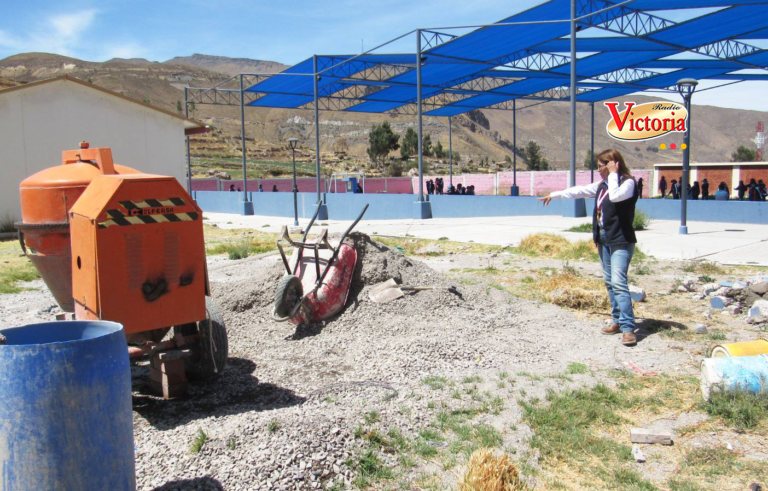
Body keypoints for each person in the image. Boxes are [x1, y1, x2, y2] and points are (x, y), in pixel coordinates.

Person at [538, 149, 639, 346]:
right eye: (599, 166)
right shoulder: (603, 185)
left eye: (602, 165)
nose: (599, 169)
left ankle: (628, 328)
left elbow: (617, 197)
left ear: (614, 164)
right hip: (604, 238)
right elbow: (580, 191)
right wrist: (555, 195)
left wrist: (613, 175)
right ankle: (617, 320)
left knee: (619, 282)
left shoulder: (628, 183)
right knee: (610, 282)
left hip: (620, 239)